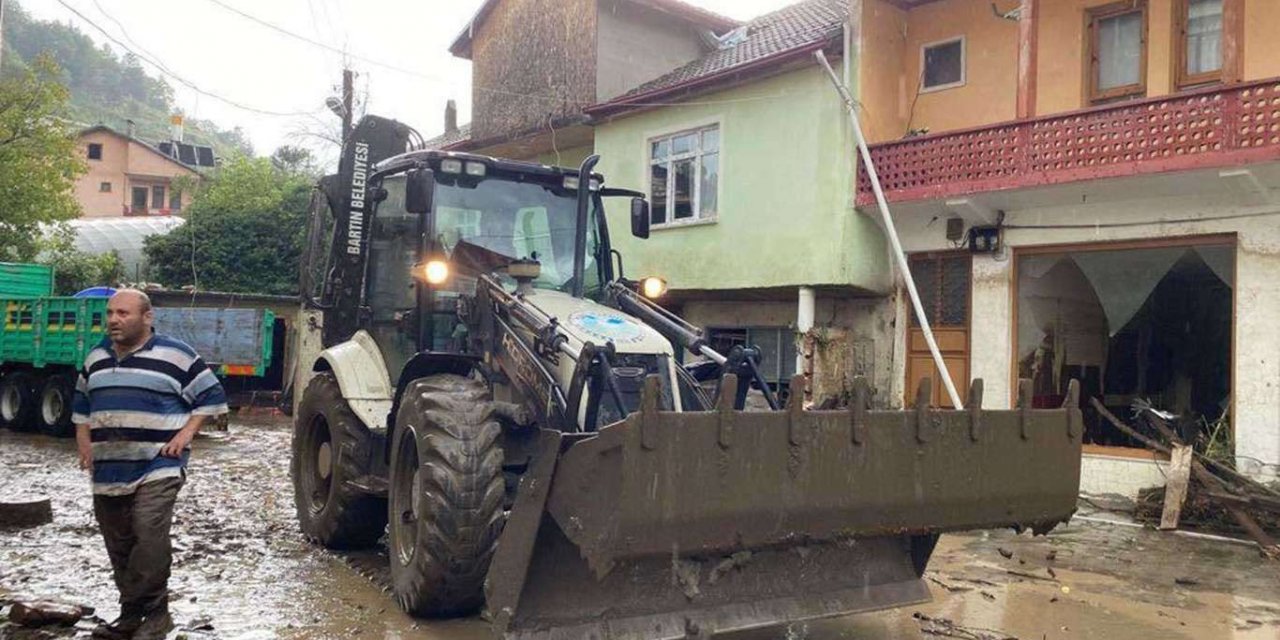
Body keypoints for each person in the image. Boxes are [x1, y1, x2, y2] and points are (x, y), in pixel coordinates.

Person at [72, 290, 228, 640]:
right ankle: (130, 613)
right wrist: (84, 442)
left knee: (148, 532)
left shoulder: (176, 354)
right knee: (118, 540)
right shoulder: (96, 356)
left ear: (147, 317)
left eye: (123, 313)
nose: (113, 320)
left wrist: (186, 434)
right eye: (110, 313)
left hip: (159, 463)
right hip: (109, 466)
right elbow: (81, 404)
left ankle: (157, 613)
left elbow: (211, 395)